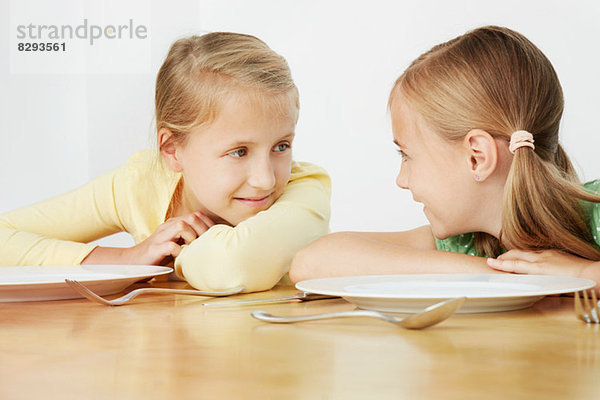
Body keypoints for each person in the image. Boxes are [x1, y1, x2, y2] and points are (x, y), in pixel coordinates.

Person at [0, 32, 331, 293]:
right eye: (239, 151)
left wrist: (182, 254)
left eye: (281, 146)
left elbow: (232, 269)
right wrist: (127, 260)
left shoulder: (305, 192)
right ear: (172, 150)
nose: (266, 180)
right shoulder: (142, 182)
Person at [289, 26, 600, 290]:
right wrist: (503, 276)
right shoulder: (469, 245)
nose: (401, 180)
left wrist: (583, 275)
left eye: (407, 155)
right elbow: (312, 263)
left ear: (477, 157)